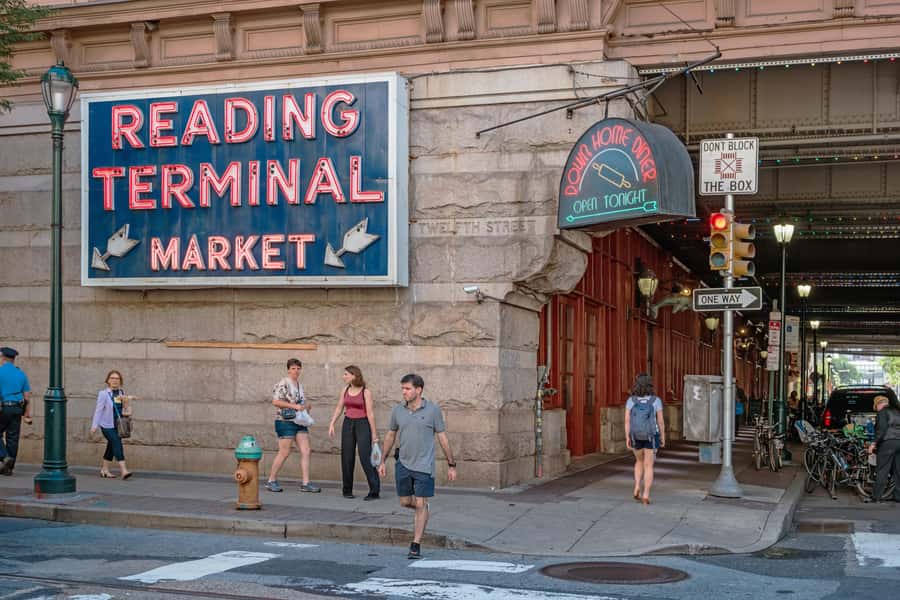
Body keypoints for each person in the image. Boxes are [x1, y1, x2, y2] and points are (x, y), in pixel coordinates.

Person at [378, 374, 457, 559]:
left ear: (419, 390)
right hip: (403, 463)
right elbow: (391, 435)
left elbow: (442, 437)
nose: (403, 392)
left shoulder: (433, 410)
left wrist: (451, 464)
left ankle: (416, 544)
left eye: (407, 388)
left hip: (424, 465)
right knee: (405, 502)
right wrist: (382, 460)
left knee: (420, 502)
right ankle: (423, 509)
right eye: (402, 389)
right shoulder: (398, 410)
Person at [266, 358, 320, 493]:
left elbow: (300, 402)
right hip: (285, 420)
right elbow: (276, 401)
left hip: (299, 421)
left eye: (298, 368)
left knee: (306, 451)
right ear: (288, 369)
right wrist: (294, 406)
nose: (296, 371)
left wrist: (306, 407)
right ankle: (271, 480)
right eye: (293, 368)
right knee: (284, 452)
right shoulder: (283, 383)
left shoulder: (299, 385)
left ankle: (306, 483)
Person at [328, 365, 380, 500]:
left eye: (346, 374)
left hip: (363, 424)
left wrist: (374, 434)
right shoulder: (345, 390)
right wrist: (332, 423)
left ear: (354, 375)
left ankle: (374, 490)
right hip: (348, 423)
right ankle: (347, 490)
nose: (343, 377)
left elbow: (370, 414)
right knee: (347, 457)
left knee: (365, 457)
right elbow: (340, 407)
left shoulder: (365, 392)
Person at [625, 373, 665, 505]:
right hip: (651, 436)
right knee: (649, 465)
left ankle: (637, 486)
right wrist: (662, 437)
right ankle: (646, 494)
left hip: (636, 435)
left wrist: (627, 437)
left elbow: (627, 421)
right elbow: (660, 421)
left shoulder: (631, 401)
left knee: (638, 462)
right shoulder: (656, 401)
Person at [90, 370, 133, 479]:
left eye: (117, 379)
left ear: (120, 381)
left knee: (111, 445)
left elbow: (124, 410)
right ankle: (124, 470)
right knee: (117, 443)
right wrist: (94, 426)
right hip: (107, 425)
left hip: (118, 425)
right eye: (112, 378)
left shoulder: (121, 393)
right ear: (108, 380)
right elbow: (98, 410)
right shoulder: (103, 394)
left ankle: (104, 470)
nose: (115, 380)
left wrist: (127, 401)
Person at [0, 347, 32, 476]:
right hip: (18, 408)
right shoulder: (21, 374)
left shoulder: (0, 372)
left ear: (3, 357)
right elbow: (27, 396)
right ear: (13, 359)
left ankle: (4, 457)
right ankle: (9, 467)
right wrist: (27, 414)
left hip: (4, 407)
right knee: (13, 437)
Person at [868, 395, 900, 503]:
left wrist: (873, 444)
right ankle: (898, 496)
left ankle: (876, 497)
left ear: (878, 404)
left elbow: (881, 430)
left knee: (882, 470)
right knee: (898, 470)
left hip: (888, 443)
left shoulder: (882, 413)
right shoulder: (897, 411)